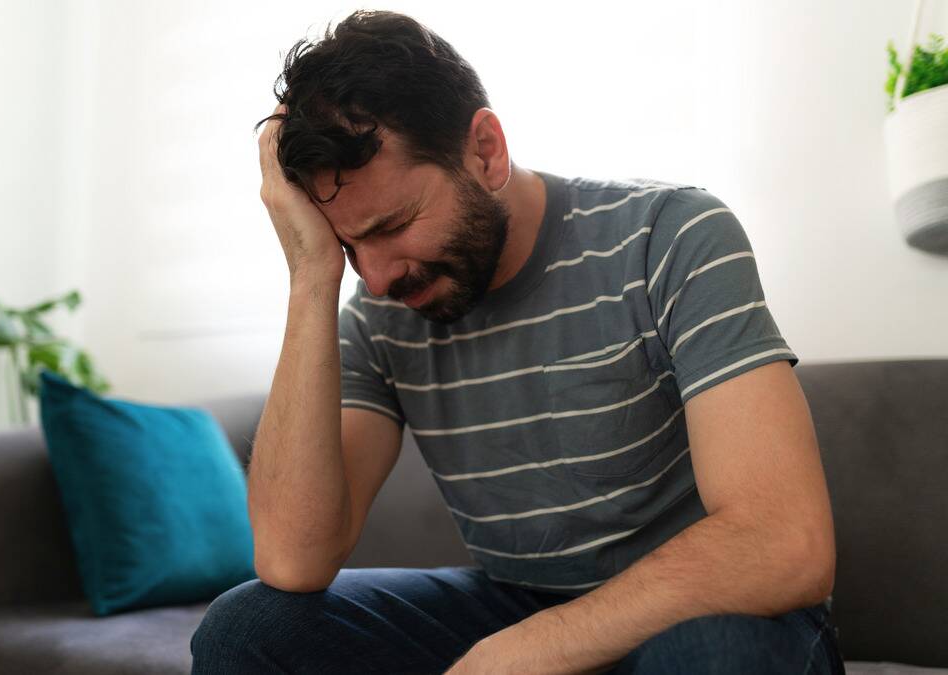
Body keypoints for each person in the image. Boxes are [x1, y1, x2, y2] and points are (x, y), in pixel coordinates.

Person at [191, 10, 844, 674]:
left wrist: (527, 650)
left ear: (486, 150)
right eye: (348, 244)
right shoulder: (378, 314)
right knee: (249, 627)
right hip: (516, 603)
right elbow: (292, 559)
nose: (379, 276)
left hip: (700, 615)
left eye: (393, 224)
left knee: (718, 656)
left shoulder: (670, 236)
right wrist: (311, 277)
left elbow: (783, 542)